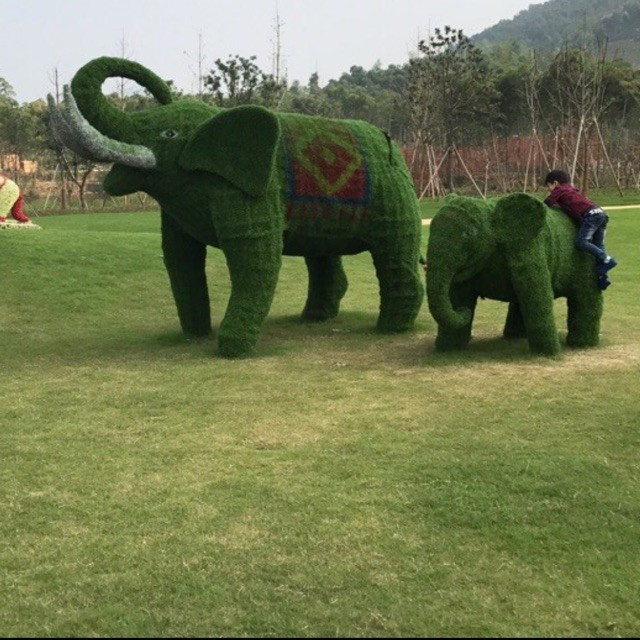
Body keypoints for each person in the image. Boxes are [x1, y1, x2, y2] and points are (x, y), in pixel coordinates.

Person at [544, 169, 616, 290]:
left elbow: (547, 202)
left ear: (555, 183)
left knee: (581, 242)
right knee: (598, 246)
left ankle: (607, 258)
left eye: (549, 186)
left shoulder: (560, 189)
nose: (549, 190)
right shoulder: (571, 190)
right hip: (601, 213)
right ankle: (602, 277)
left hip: (592, 215)